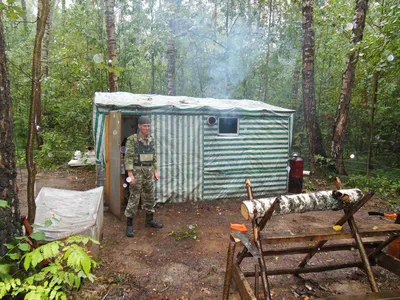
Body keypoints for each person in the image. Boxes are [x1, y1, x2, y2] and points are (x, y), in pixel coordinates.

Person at [124, 115, 163, 238]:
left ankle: (149, 220)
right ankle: (129, 225)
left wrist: (155, 170)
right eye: (145, 126)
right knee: (134, 196)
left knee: (149, 195)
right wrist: (130, 174)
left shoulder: (150, 139)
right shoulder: (132, 139)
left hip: (148, 170)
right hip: (136, 170)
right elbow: (128, 157)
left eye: (148, 126)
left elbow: (153, 155)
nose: (147, 128)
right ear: (139, 126)